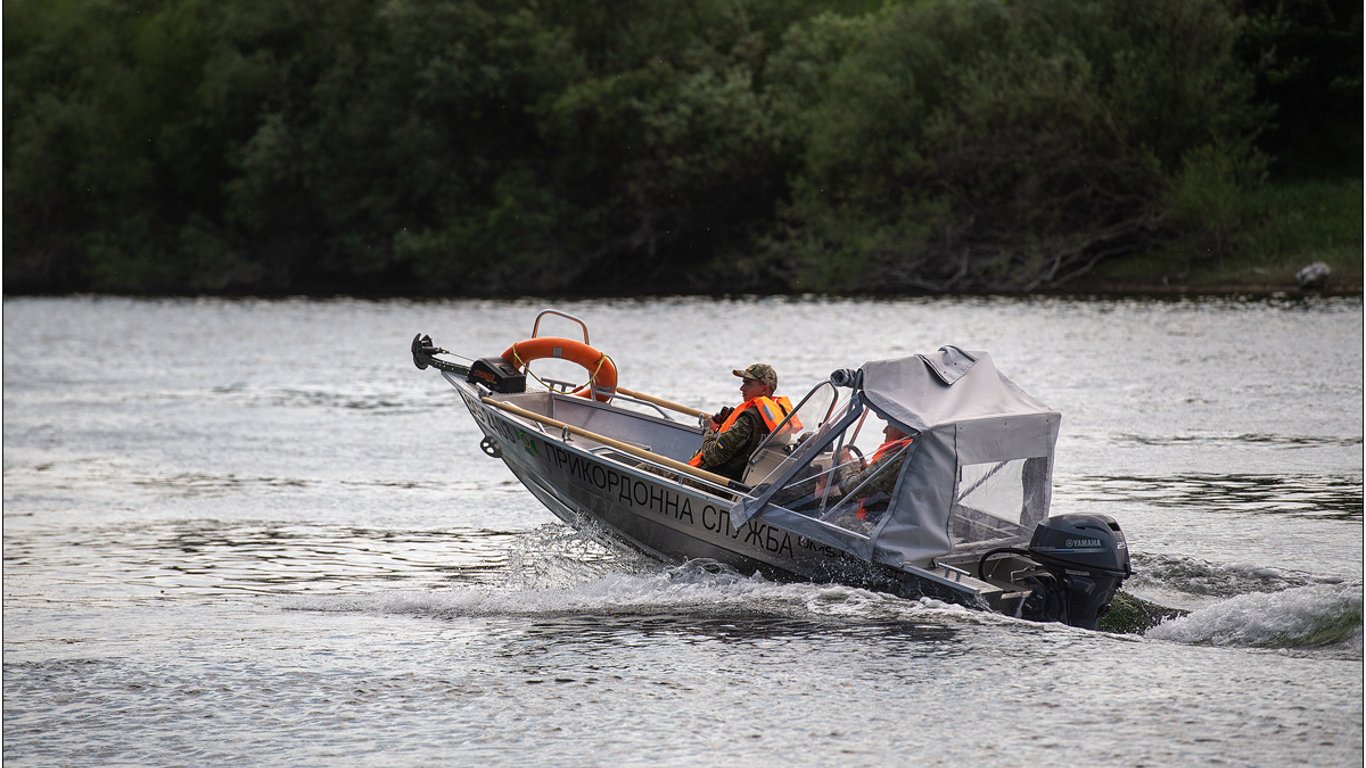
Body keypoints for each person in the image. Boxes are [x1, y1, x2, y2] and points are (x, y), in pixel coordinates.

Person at [688, 363, 797, 482]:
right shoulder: (780, 420)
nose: (742, 388)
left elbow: (713, 456)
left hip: (717, 483)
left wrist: (709, 430)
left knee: (664, 473)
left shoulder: (748, 420)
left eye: (748, 383)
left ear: (764, 389)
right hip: (747, 481)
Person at [833, 421, 914, 527]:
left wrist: (844, 462)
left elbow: (854, 489)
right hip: (893, 516)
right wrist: (865, 469)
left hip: (885, 525)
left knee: (841, 523)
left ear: (903, 429)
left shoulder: (899, 456)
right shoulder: (910, 450)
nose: (884, 430)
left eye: (890, 425)